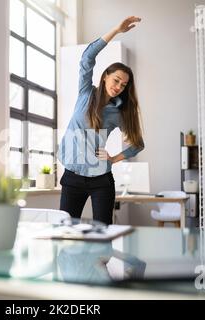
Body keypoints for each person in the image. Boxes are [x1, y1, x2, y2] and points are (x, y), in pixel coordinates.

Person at [57, 16, 145, 225]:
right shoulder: (86, 93)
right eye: (116, 80)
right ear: (106, 76)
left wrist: (114, 158)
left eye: (123, 85)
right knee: (66, 233)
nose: (118, 86)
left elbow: (138, 144)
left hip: (101, 180)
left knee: (103, 235)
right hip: (73, 176)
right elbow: (87, 57)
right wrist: (116, 29)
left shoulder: (119, 113)